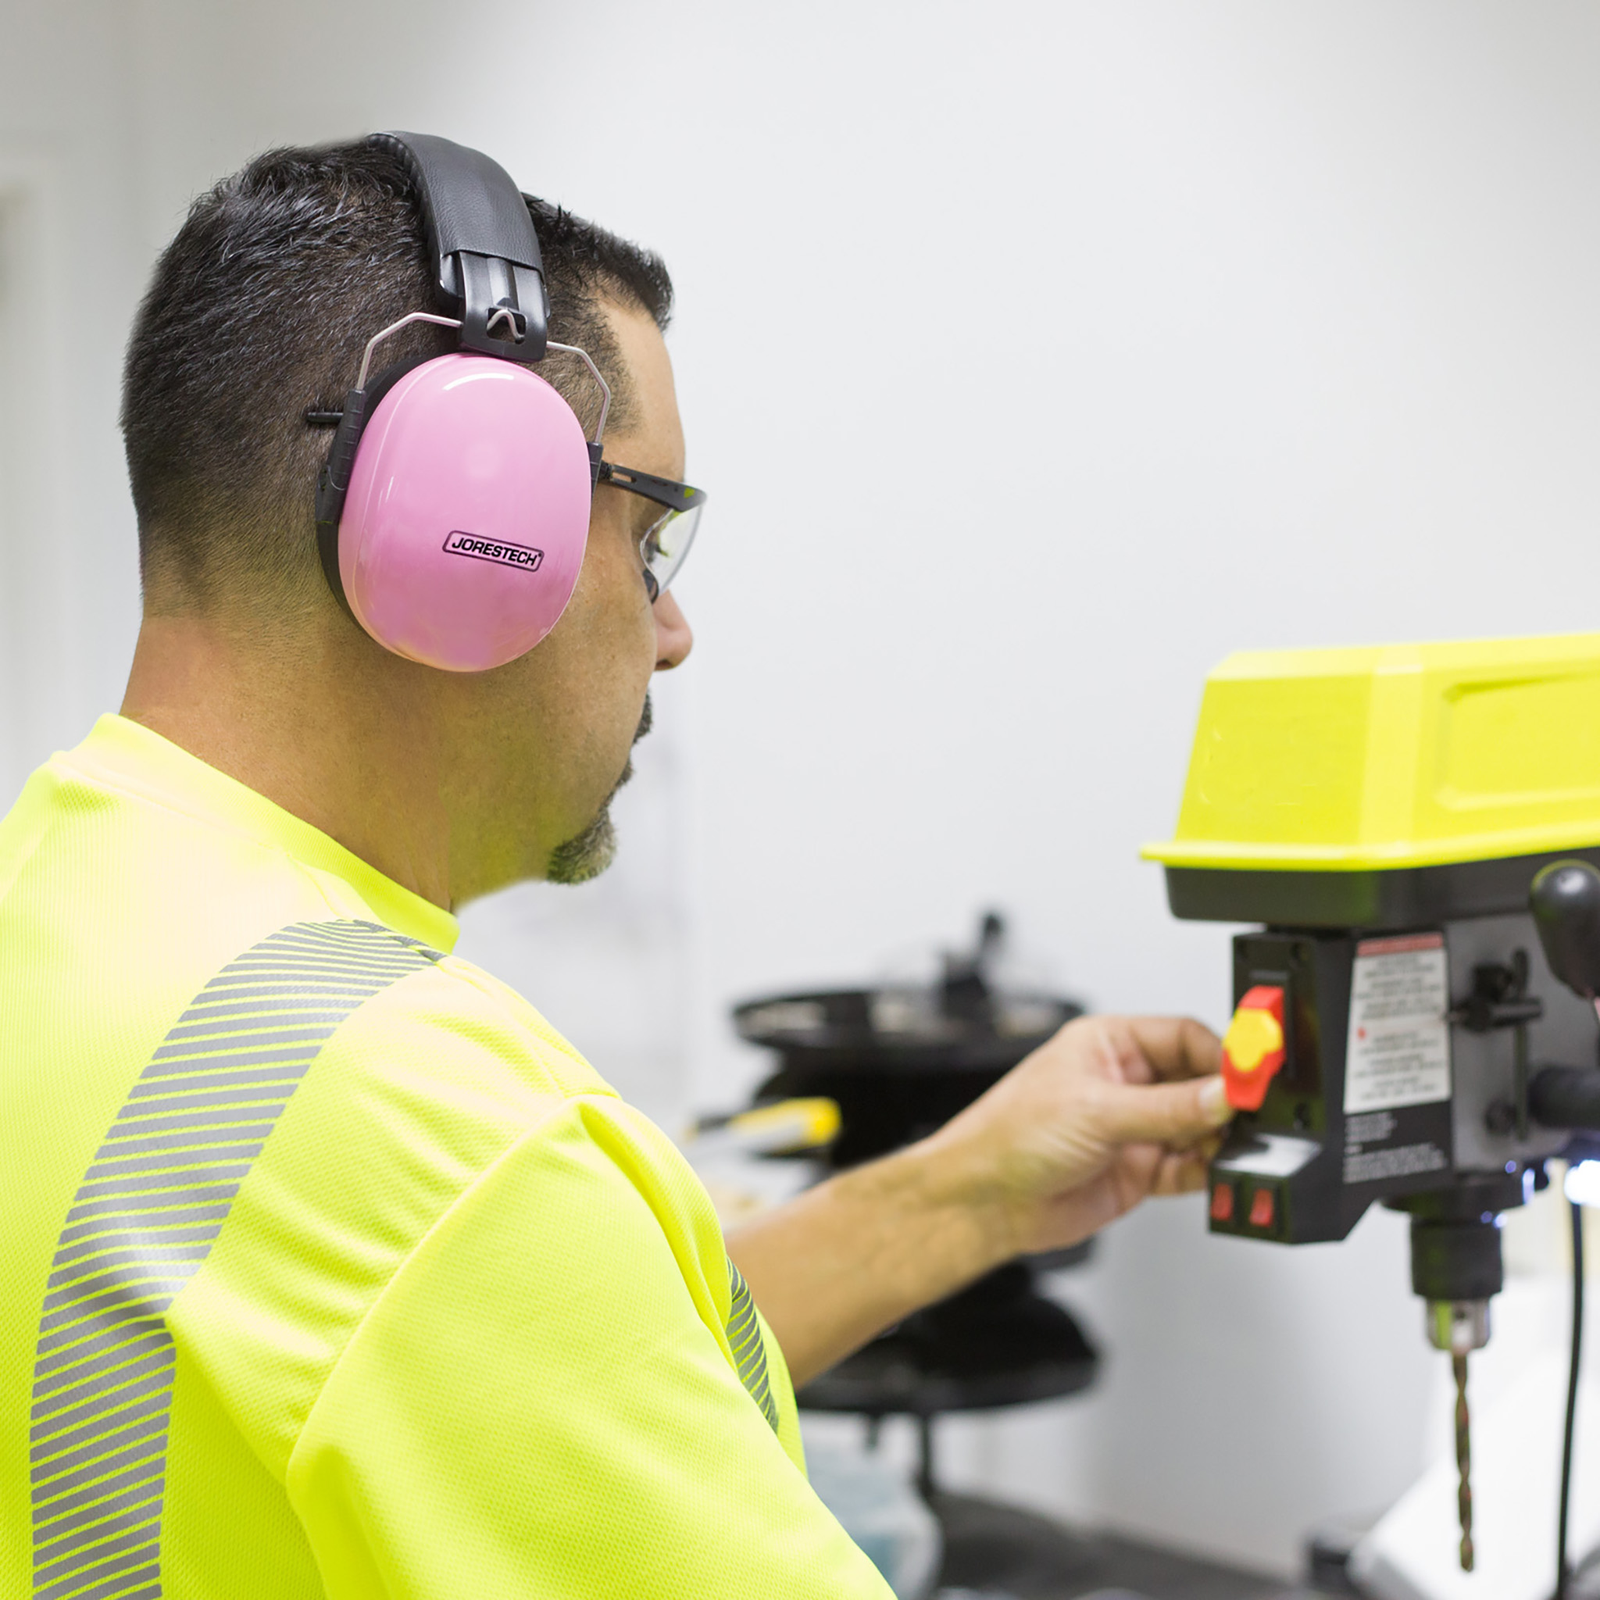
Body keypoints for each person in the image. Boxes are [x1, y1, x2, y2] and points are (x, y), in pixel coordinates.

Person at [0, 136, 1233, 1600]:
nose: (672, 632)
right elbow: (459, 1282)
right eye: (649, 536)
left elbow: (495, 1367)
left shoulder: (66, 894)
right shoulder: (437, 1139)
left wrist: (966, 1196)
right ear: (469, 527)